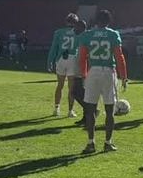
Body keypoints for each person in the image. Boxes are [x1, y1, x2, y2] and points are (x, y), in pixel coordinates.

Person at [78, 9, 128, 154]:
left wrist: (83, 75)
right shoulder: (113, 34)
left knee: (90, 110)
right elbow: (119, 57)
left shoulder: (87, 35)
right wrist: (124, 76)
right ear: (109, 21)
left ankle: (90, 143)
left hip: (93, 72)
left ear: (95, 20)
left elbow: (82, 58)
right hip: (108, 72)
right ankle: (107, 142)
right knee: (109, 109)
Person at [47, 14, 78, 117]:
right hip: (73, 59)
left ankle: (56, 109)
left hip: (61, 59)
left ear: (66, 22)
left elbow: (54, 48)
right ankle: (70, 111)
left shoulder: (59, 32)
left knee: (60, 85)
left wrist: (50, 61)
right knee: (71, 87)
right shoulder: (78, 32)